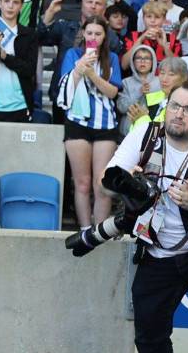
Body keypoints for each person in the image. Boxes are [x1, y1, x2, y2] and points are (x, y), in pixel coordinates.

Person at [107, 82, 188, 353]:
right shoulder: (146, 135)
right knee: (149, 338)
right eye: (174, 105)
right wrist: (130, 185)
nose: (179, 113)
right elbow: (108, 180)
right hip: (157, 250)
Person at [56, 15, 122, 230]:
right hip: (77, 122)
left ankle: (100, 230)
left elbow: (112, 92)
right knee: (82, 183)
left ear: (104, 36)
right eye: (90, 33)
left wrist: (92, 73)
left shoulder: (112, 58)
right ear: (83, 34)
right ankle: (85, 229)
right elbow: (65, 86)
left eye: (98, 33)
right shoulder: (73, 54)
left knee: (101, 184)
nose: (93, 37)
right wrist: (79, 69)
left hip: (105, 124)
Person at [116, 45, 160, 137]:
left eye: (147, 58)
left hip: (154, 133)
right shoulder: (126, 82)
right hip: (129, 132)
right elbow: (121, 107)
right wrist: (139, 93)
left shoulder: (160, 82)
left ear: (153, 62)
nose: (142, 61)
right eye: (138, 58)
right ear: (133, 62)